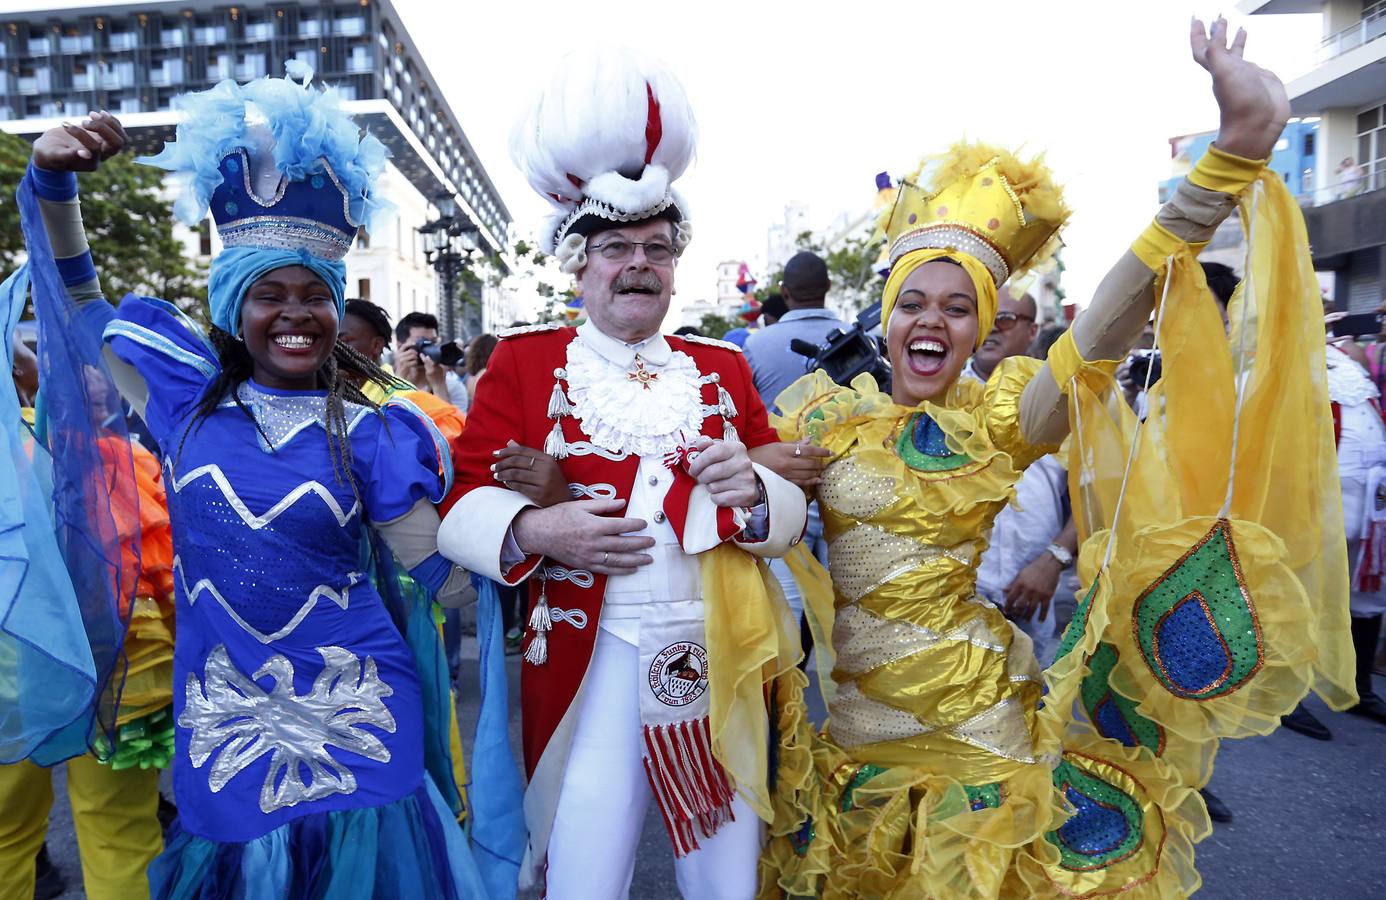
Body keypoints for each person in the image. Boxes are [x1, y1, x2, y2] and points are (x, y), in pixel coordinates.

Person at [754, 19, 1354, 898]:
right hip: (853, 740)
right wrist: (750, 472)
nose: (931, 320)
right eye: (911, 300)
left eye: (960, 308)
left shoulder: (1004, 414)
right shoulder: (822, 415)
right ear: (884, 316)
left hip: (976, 735)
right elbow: (750, 527)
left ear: (980, 328)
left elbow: (1098, 337)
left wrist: (1222, 167)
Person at [22, 65, 484, 896]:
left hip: (360, 719)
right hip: (225, 726)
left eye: (315, 295)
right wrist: (52, 179)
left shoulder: (376, 432)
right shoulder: (179, 403)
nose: (296, 313)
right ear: (236, 306)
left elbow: (444, 582)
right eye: (269, 294)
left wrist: (535, 531)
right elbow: (80, 297)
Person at [437, 48, 806, 899]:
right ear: (579, 264)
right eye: (615, 249)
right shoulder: (526, 365)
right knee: (585, 868)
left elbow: (783, 501)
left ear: (674, 267)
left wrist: (753, 495)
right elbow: (462, 495)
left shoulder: (721, 365)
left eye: (656, 248)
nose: (638, 264)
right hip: (587, 657)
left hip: (717, 654)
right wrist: (536, 528)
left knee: (726, 872)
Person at [744, 252, 846, 410]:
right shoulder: (861, 338)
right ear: (828, 286)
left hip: (779, 436)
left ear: (784, 291)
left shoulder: (755, 345)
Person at [393, 311, 470, 409]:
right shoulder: (382, 385)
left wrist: (439, 386)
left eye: (433, 342)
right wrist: (399, 379)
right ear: (400, 346)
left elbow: (452, 424)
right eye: (421, 342)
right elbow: (383, 420)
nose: (429, 347)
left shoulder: (453, 387)